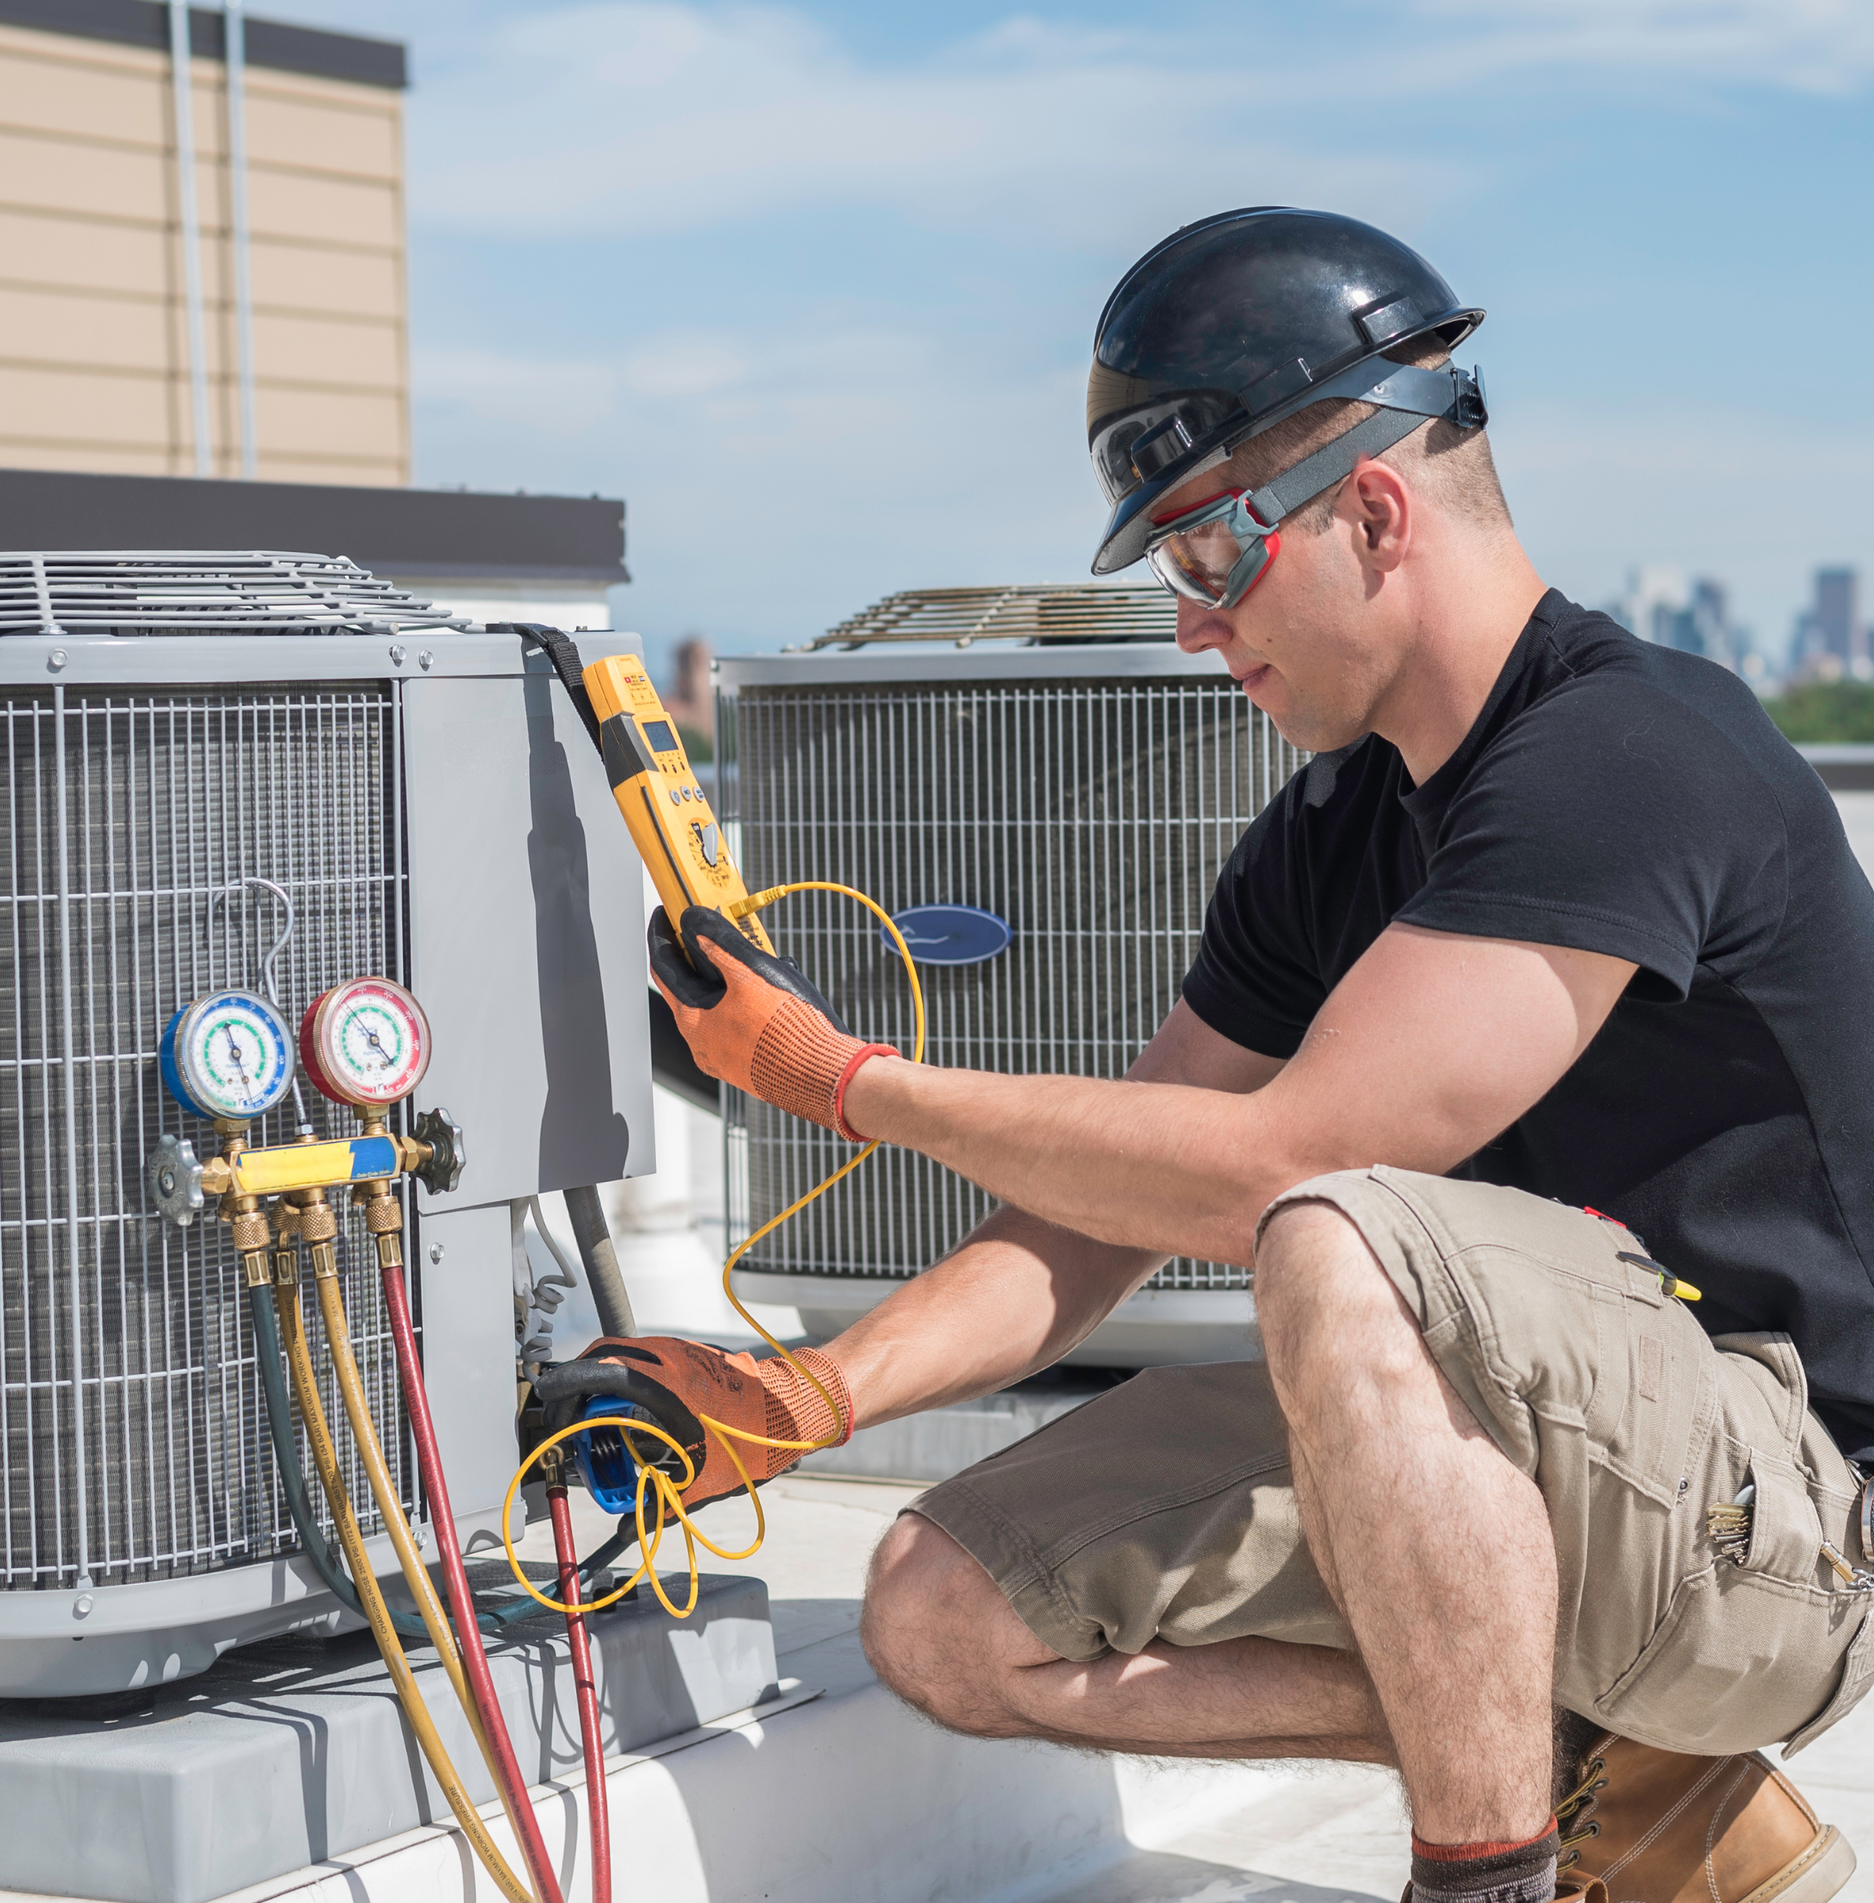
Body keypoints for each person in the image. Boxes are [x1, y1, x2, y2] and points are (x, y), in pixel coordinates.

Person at [606, 208, 1874, 1903]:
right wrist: (815, 1395)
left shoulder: (1628, 755)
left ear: (1370, 508)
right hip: (1559, 1472)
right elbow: (1110, 1196)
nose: (1195, 628)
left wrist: (846, 1082)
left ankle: (1483, 1879)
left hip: (1793, 1521)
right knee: (943, 1609)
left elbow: (1291, 1165)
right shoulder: (1327, 837)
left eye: (1209, 559)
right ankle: (1604, 1776)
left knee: (1338, 1236)